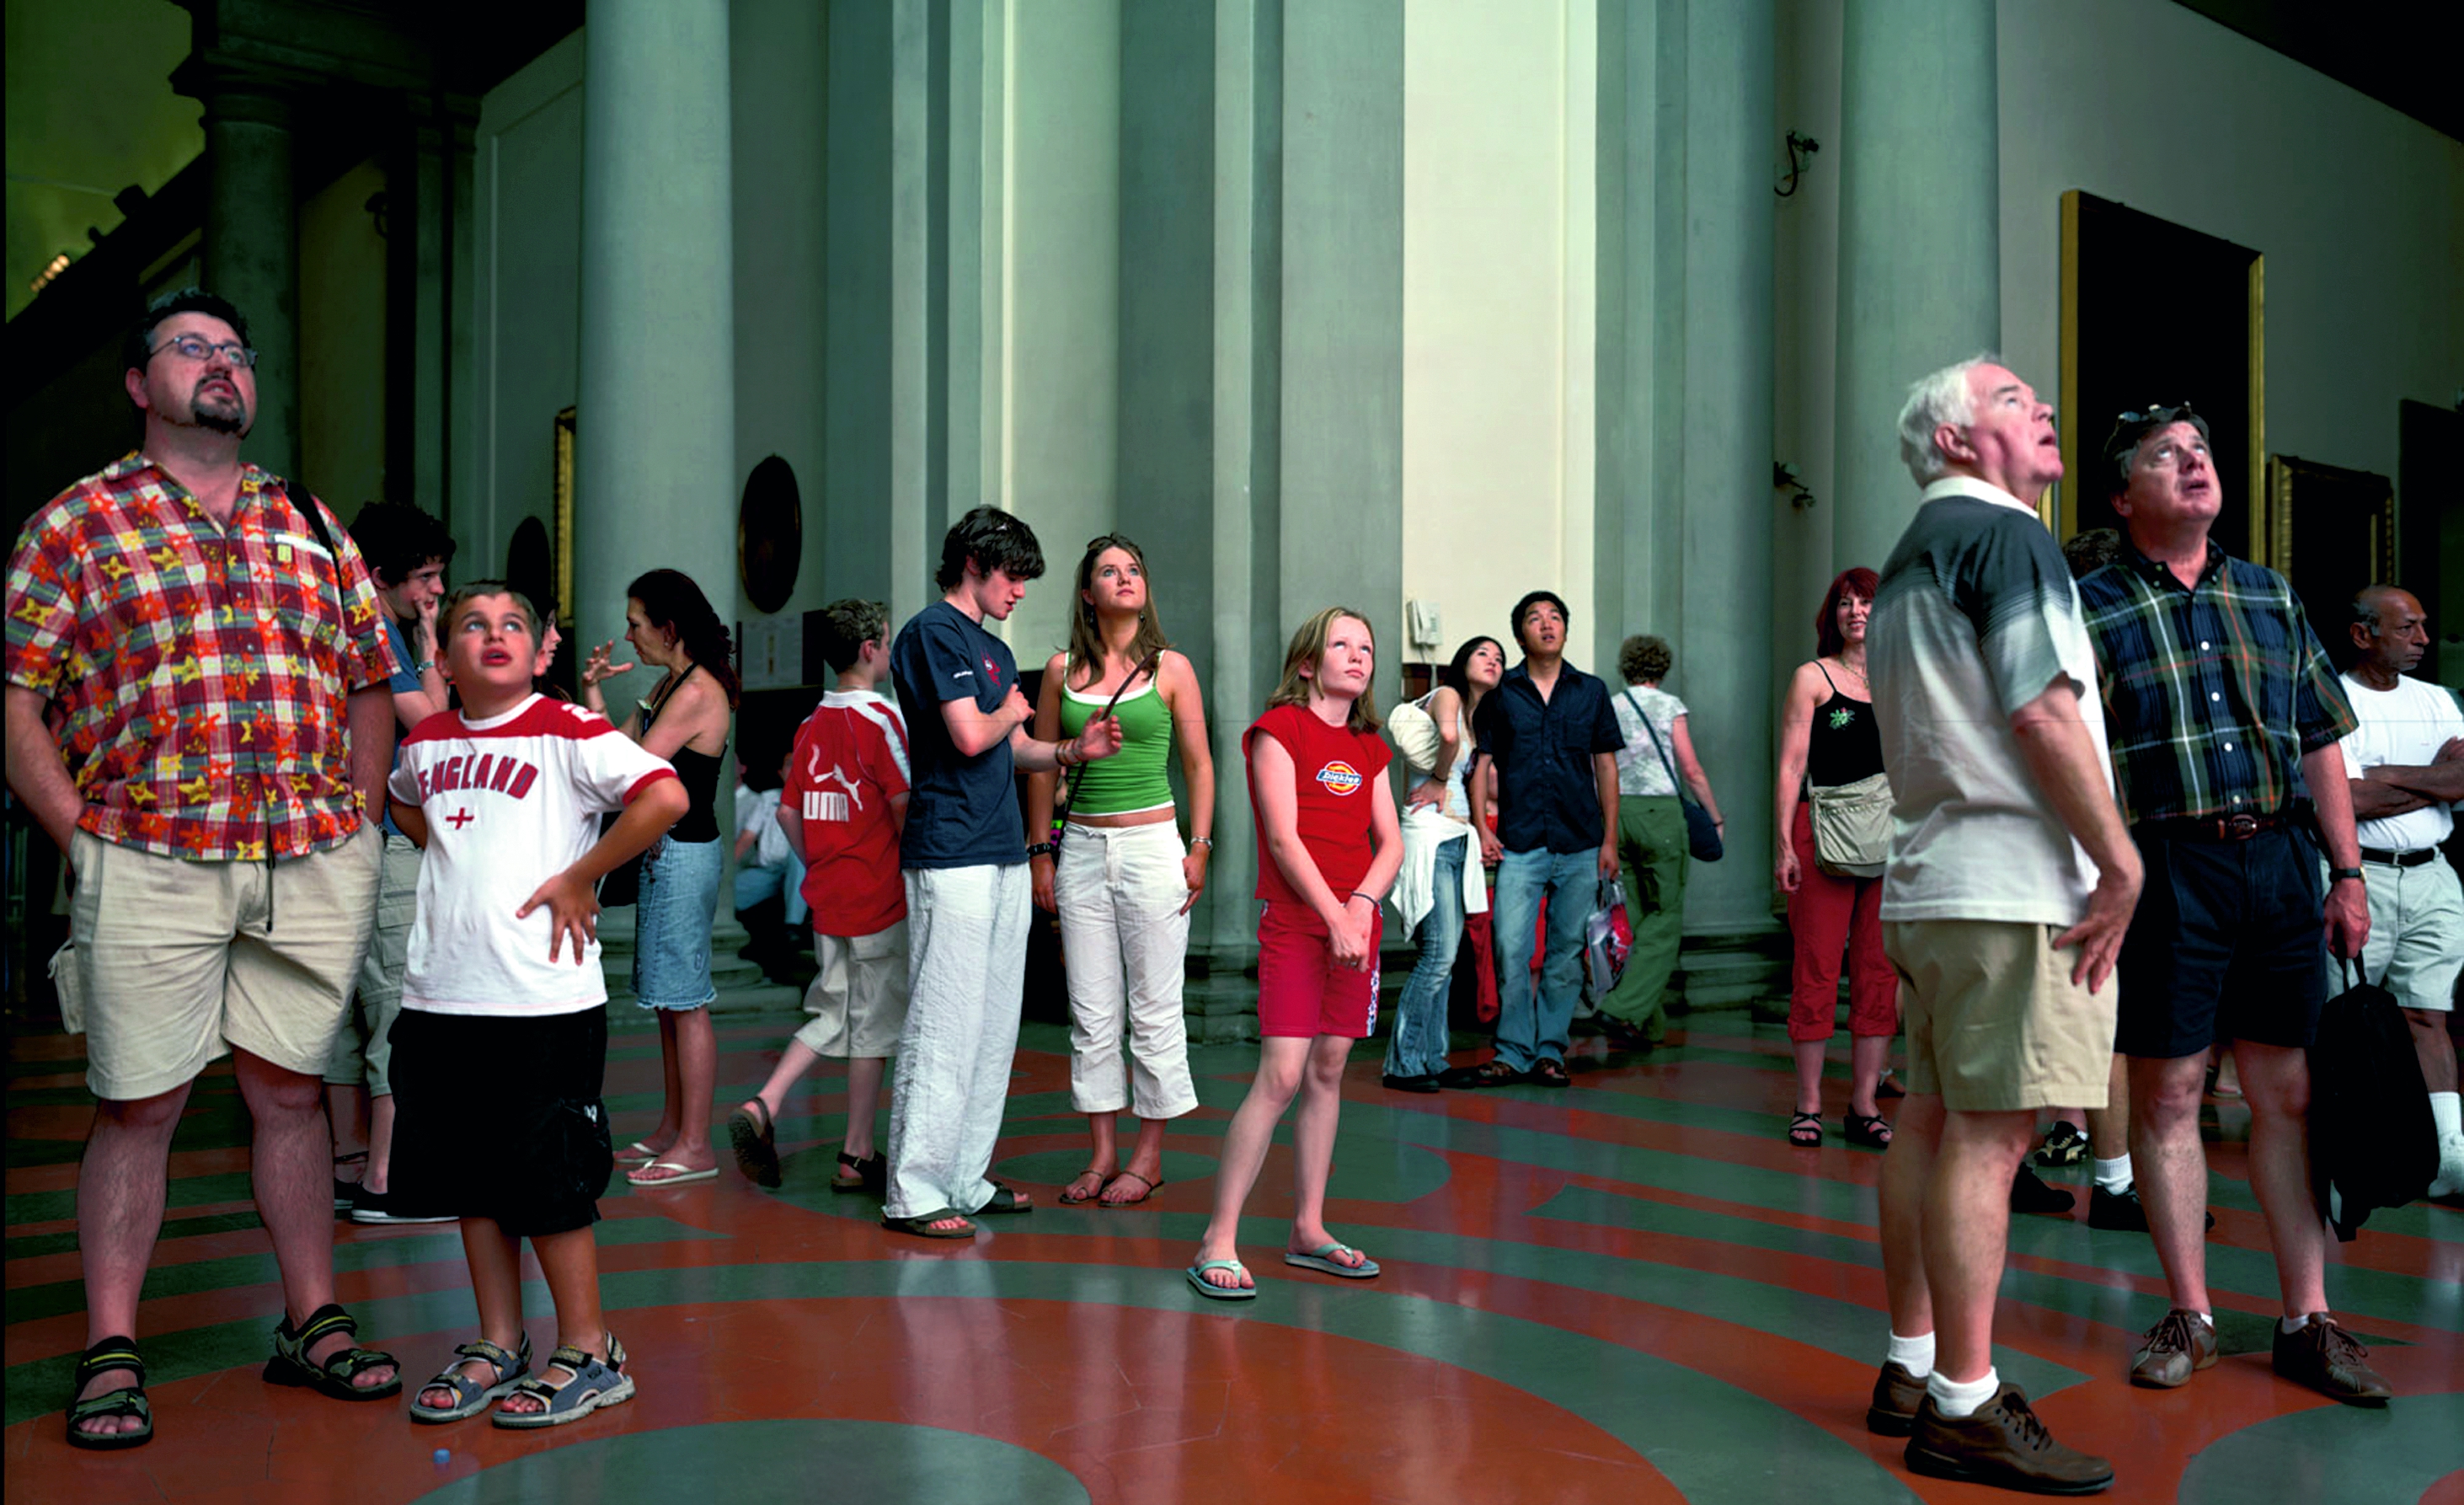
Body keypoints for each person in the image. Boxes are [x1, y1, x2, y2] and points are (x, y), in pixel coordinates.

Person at [5, 288, 404, 1448]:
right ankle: (112, 1345)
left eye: (236, 352)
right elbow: (18, 699)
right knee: (141, 1102)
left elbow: (370, 679)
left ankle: (313, 1318)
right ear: (140, 385)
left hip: (306, 850)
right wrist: (81, 834)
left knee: (290, 1091)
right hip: (149, 852)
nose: (222, 365)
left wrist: (359, 819)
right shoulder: (75, 525)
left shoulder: (314, 523)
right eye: (193, 349)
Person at [1861, 356, 2139, 1494]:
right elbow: (2038, 708)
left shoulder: (1908, 556)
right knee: (1992, 1136)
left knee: (1928, 1124)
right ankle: (1967, 1404)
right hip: (2015, 884)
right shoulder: (2008, 536)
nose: (2044, 412)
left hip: (1930, 880)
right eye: (2016, 399)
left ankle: (1909, 1364)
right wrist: (2118, 857)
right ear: (1965, 440)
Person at [2076, 401, 2391, 1404]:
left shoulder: (2269, 594)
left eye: (2201, 449)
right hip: (2165, 867)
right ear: (2126, 496)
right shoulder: (2091, 607)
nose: (2195, 463)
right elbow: (2070, 753)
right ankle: (2192, 1313)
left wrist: (2346, 873)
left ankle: (2310, 1316)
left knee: (2286, 1094)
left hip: (2279, 863)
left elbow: (2319, 740)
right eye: (2167, 456)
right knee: (2168, 1096)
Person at [390, 583, 687, 1427]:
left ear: (542, 648)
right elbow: (405, 801)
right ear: (443, 654)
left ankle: (590, 1350)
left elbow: (664, 795)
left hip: (541, 1001)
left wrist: (581, 874)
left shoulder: (567, 728)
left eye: (512, 624)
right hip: (443, 995)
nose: (493, 636)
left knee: (548, 1179)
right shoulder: (428, 742)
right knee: (473, 1178)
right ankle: (497, 1337)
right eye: (472, 625)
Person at [880, 506, 1121, 1238]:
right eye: (1013, 575)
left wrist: (1074, 752)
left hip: (1000, 850)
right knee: (944, 1021)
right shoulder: (932, 633)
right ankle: (914, 1188)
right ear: (975, 565)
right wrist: (1011, 709)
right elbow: (966, 734)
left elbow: (1011, 749)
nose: (1020, 591)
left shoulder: (986, 646)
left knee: (989, 1026)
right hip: (948, 850)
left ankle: (962, 1175)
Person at [1187, 608, 1403, 1296]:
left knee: (1330, 1068)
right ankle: (1216, 1239)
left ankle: (1307, 1228)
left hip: (1352, 921)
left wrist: (1361, 908)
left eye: (1365, 646)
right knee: (1281, 1074)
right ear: (1307, 662)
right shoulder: (1277, 731)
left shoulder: (1370, 745)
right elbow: (1283, 839)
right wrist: (1331, 915)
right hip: (1295, 921)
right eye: (1340, 644)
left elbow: (1390, 843)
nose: (1357, 655)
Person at [1029, 534, 1214, 1204]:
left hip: (1151, 846)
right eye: (1108, 571)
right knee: (1091, 1011)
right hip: (1078, 848)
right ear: (1087, 593)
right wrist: (1039, 851)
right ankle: (1101, 1153)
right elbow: (1044, 763)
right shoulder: (1059, 671)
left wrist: (1199, 847)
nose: (1123, 578)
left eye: (1133, 569)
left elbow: (1198, 763)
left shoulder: (1172, 668)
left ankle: (1149, 1155)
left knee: (1156, 1008)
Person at [728, 599, 912, 1192]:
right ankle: (854, 1152)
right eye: (883, 641)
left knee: (832, 1012)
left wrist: (821, 864)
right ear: (869, 650)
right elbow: (903, 804)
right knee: (874, 1023)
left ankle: (768, 1103)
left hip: (829, 898)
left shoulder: (809, 726)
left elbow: (786, 811)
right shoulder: (881, 720)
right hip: (880, 897)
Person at [321, 499, 458, 1227]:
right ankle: (388, 1177)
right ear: (380, 575)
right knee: (397, 1008)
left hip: (341, 838)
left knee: (347, 1009)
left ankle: (348, 1162)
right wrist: (434, 639)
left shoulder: (339, 619)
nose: (436, 592)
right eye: (426, 579)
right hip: (385, 840)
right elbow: (431, 728)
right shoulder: (380, 632)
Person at [580, 569, 736, 1186]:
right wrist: (593, 694)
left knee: (686, 1001)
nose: (628, 635)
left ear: (668, 627)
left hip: (682, 853)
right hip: (666, 853)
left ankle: (695, 1145)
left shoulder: (697, 689)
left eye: (636, 623)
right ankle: (673, 1130)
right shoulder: (674, 681)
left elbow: (632, 765)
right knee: (669, 1004)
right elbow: (619, 746)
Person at [1446, 591, 1622, 1089]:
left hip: (1582, 841)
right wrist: (1483, 826)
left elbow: (1605, 765)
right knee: (1509, 947)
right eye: (1534, 618)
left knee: (1566, 954)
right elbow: (1481, 765)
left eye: (1555, 618)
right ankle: (1513, 1050)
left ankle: (1549, 1051)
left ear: (1565, 629)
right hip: (1521, 842)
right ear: (1520, 632)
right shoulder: (1504, 695)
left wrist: (1610, 839)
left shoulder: (1590, 691)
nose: (1546, 625)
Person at [2335, 585, 2464, 1197]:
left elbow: (2462, 778)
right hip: (2358, 874)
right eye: (2406, 628)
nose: (2421, 639)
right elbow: (2342, 798)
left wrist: (2380, 776)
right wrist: (2431, 782)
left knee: (2428, 1015)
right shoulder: (2331, 699)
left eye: (2421, 626)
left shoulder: (2436, 699)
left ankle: (2448, 1161)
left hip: (2432, 873)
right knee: (2338, 1020)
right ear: (2363, 635)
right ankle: (2342, 1154)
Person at [1773, 570, 1898, 1147]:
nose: (1855, 611)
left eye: (1867, 601)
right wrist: (1781, 841)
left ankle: (1864, 1104)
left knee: (1878, 974)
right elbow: (1792, 764)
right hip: (1819, 834)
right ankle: (1808, 1104)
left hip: (1890, 837)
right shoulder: (1813, 677)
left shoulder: (1904, 680)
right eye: (1845, 603)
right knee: (1817, 968)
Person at [1383, 636, 1503, 1090]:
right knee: (1437, 955)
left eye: (1498, 658)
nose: (1492, 662)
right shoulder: (1449, 694)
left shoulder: (1475, 713)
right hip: (1431, 837)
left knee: (1445, 958)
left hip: (1453, 840)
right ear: (1461, 662)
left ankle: (1432, 1059)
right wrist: (1437, 781)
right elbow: (1448, 740)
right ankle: (1404, 1063)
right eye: (1482, 654)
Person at [1599, 635, 1721, 1050]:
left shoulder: (1611, 706)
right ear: (1663, 668)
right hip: (1661, 814)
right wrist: (1714, 816)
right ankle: (1621, 1007)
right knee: (1665, 918)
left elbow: (1598, 766)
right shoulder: (1669, 706)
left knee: (1633, 921)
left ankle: (1646, 1025)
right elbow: (1691, 769)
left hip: (1618, 814)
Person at [730, 751, 807, 983]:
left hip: (801, 869)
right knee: (726, 896)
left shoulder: (813, 800)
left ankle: (792, 926)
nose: (793, 770)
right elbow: (745, 838)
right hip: (767, 871)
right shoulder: (769, 798)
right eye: (788, 765)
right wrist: (722, 877)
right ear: (780, 773)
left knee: (797, 856)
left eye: (798, 765)